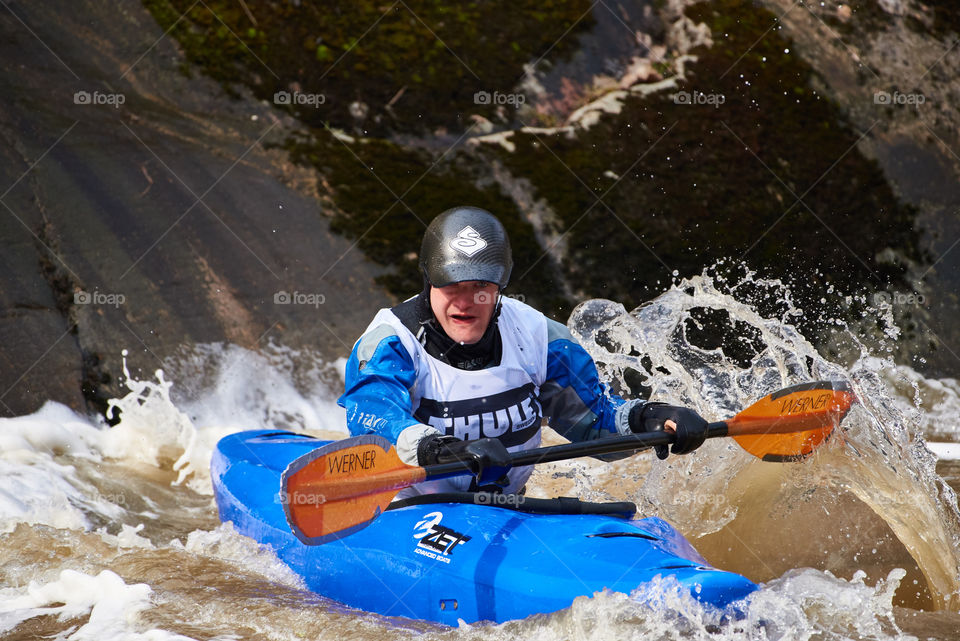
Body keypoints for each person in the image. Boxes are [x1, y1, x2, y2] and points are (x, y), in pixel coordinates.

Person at [338, 206, 708, 497]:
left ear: (501, 284)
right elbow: (372, 418)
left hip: (508, 510)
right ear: (428, 280)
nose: (466, 302)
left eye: (481, 285)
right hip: (410, 507)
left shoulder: (541, 337)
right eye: (452, 285)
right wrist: (441, 448)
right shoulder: (389, 343)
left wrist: (652, 418)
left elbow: (595, 424)